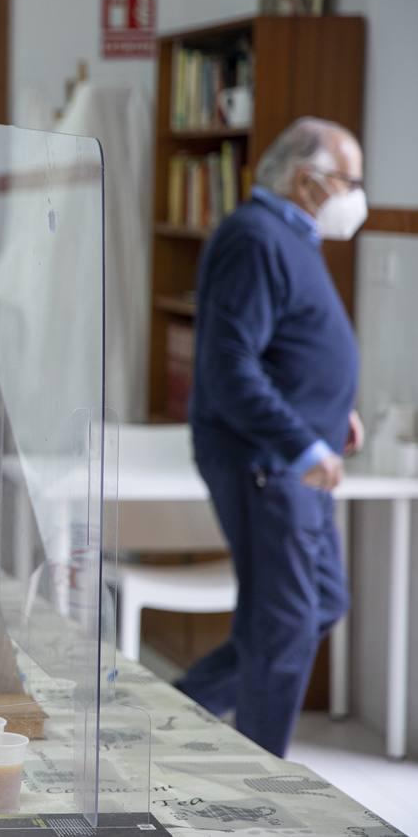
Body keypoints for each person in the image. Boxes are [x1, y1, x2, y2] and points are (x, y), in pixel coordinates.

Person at [179, 116, 367, 756]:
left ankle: (169, 713)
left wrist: (333, 410)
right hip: (268, 463)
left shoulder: (291, 238)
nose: (356, 196)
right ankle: (258, 786)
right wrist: (303, 443)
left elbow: (287, 344)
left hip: (293, 459)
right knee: (285, 626)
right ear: (307, 180)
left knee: (318, 605)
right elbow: (228, 366)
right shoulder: (255, 238)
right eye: (350, 181)